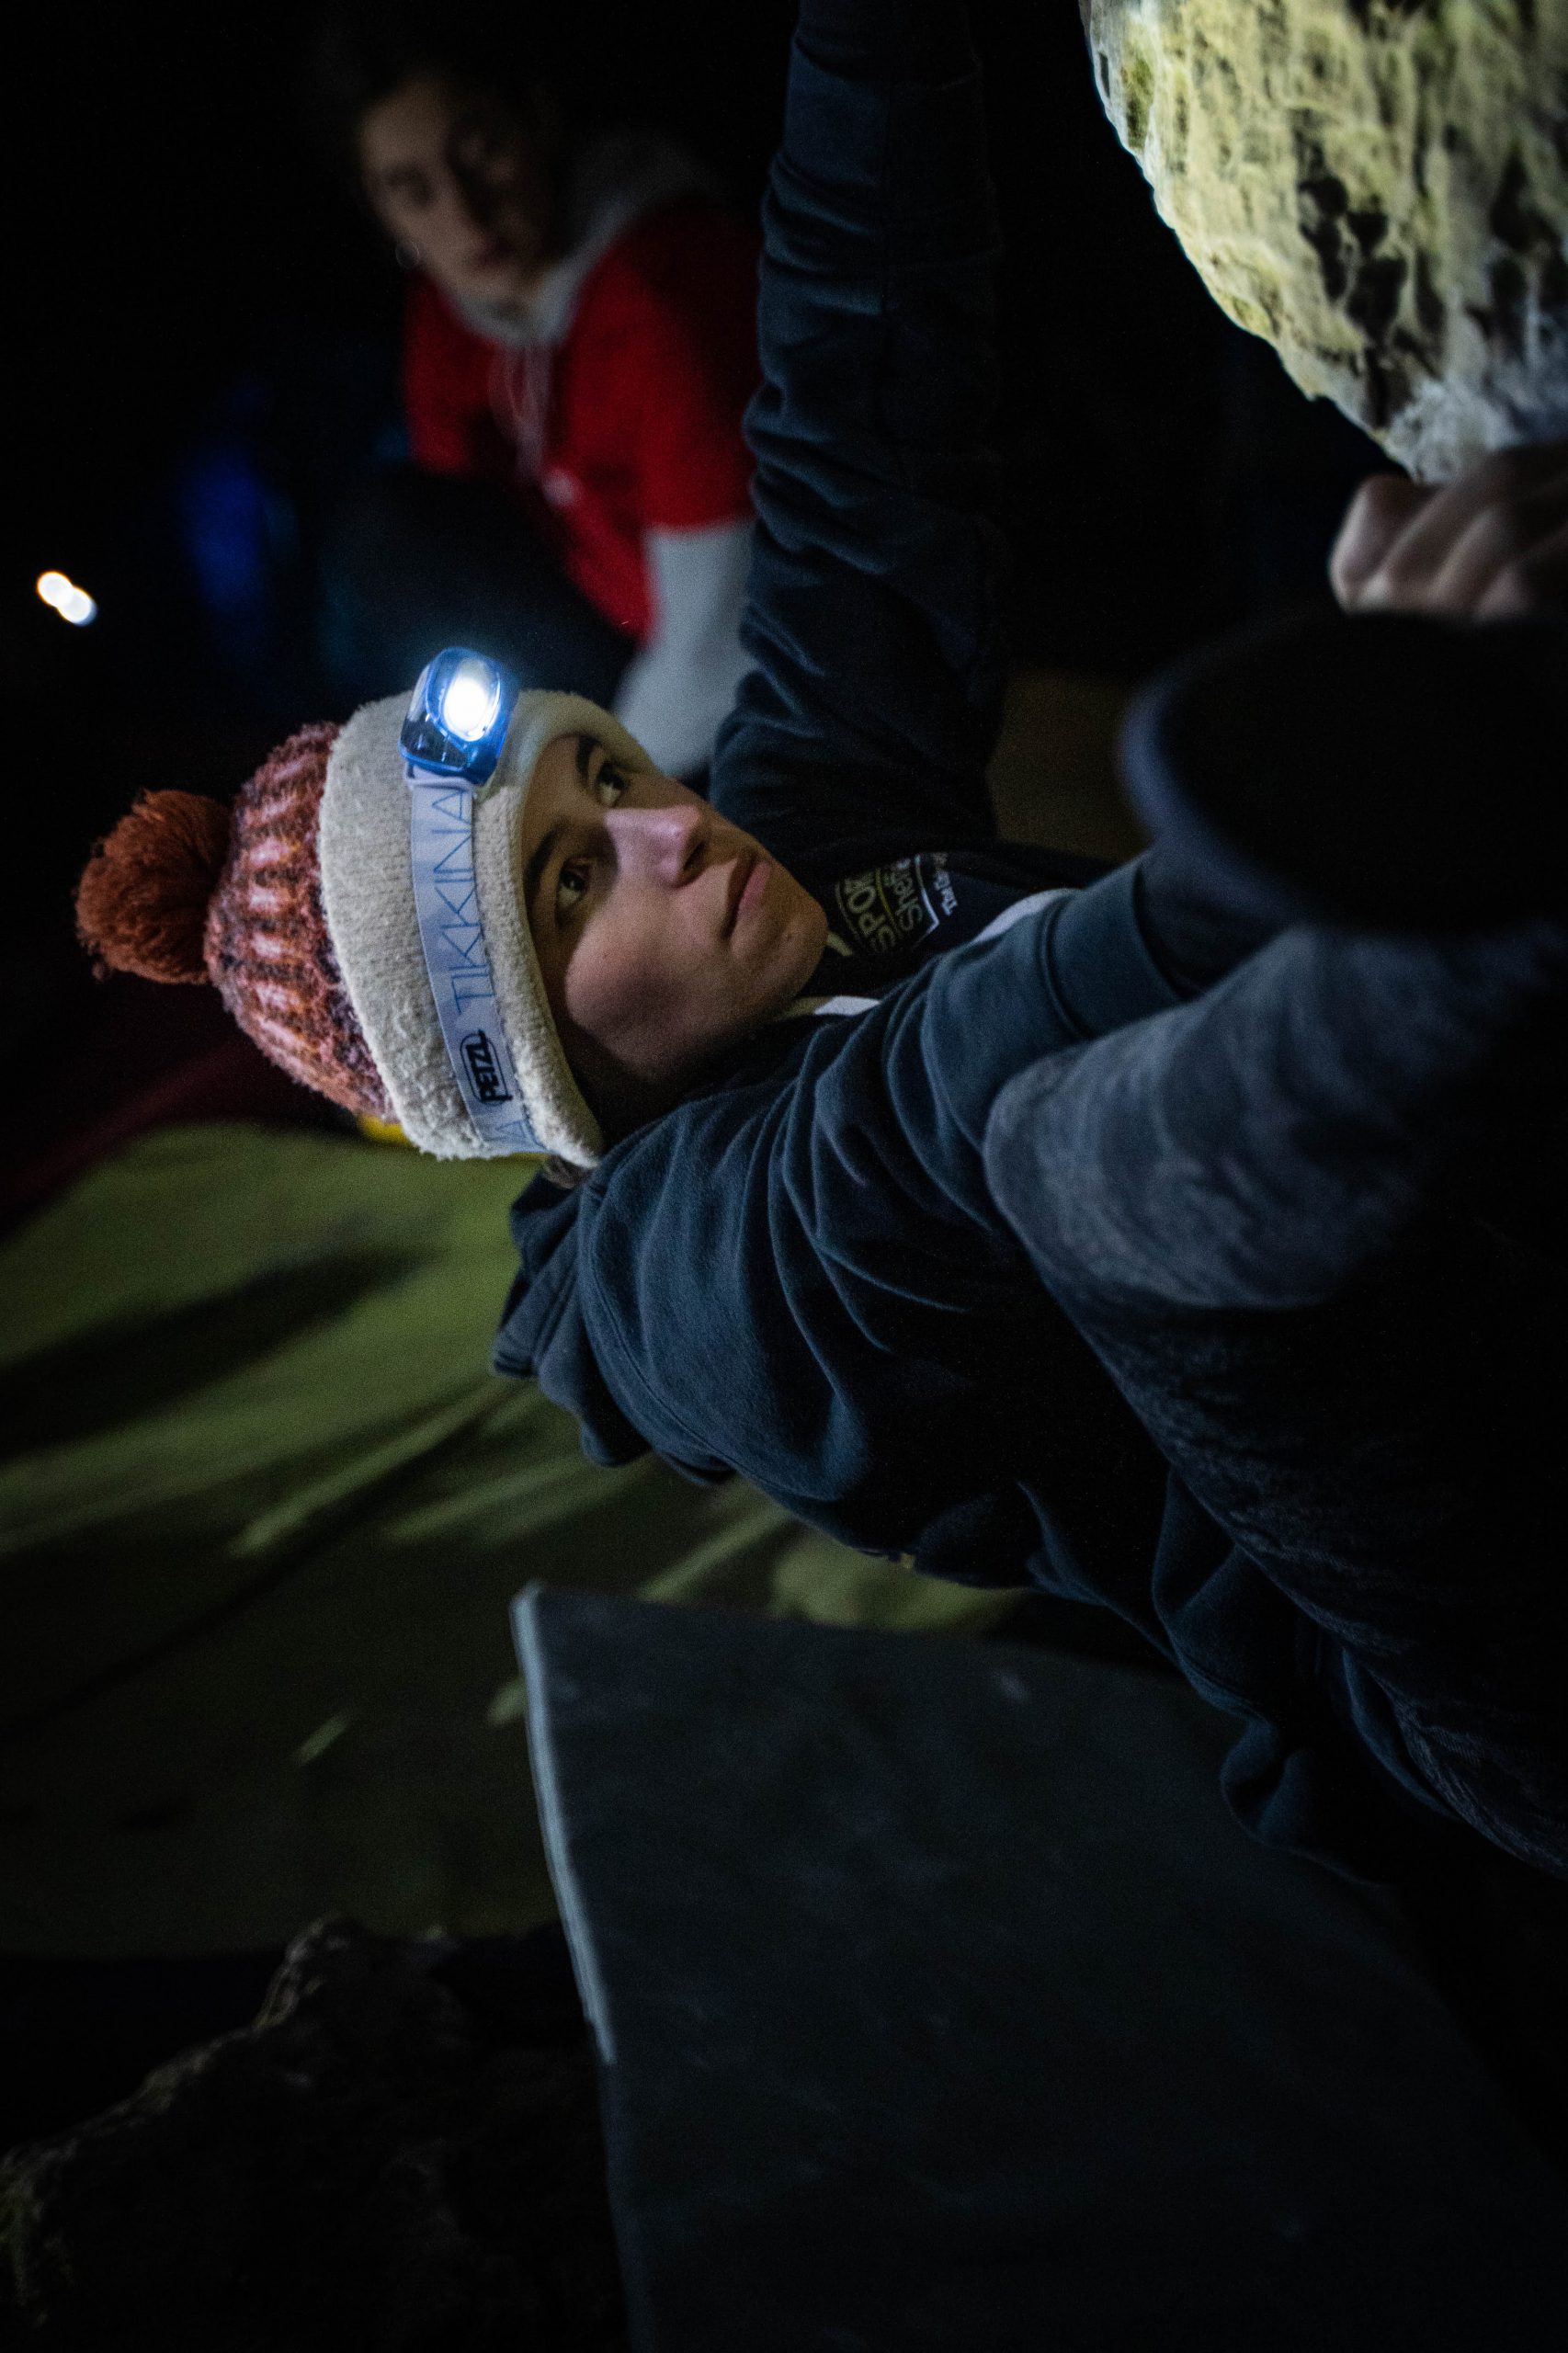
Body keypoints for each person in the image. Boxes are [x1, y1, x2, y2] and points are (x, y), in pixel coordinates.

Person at [78, 0, 1568, 1882]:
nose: (662, 824)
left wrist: (874, 41)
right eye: (567, 882)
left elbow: (857, 471)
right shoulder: (676, 1293)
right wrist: (1307, 844)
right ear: (528, 1066)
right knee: (1058, 1158)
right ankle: (1469, 855)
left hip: (1508, 1210)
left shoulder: (765, 877)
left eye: (606, 769)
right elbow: (914, 1124)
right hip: (1482, 1615)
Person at [312, 1, 760, 777]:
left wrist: (612, 793)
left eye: (479, 148)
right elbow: (459, 587)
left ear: (538, 118)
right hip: (614, 650)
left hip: (745, 668)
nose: (462, 211)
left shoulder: (665, 295)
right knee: (391, 530)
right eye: (413, 190)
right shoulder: (450, 322)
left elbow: (725, 622)